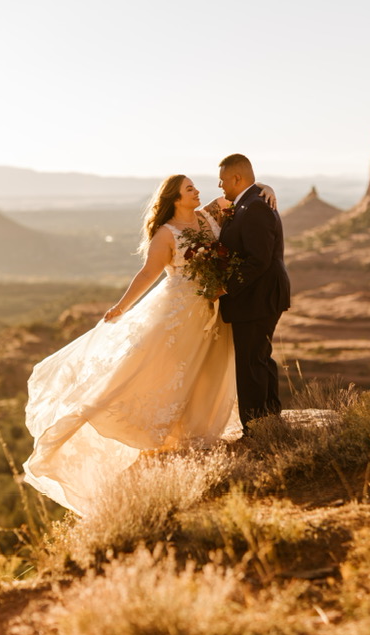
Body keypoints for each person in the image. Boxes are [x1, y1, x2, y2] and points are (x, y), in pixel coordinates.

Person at [23, 173, 276, 515]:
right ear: (174, 198)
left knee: (208, 368)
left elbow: (247, 195)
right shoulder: (165, 234)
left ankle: (196, 429)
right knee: (169, 370)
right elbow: (147, 274)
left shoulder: (207, 215)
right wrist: (121, 307)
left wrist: (267, 190)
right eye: (190, 188)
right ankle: (161, 432)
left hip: (211, 309)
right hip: (179, 311)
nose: (197, 190)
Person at [206, 154, 290, 434]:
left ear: (237, 178)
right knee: (259, 357)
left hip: (258, 297)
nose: (219, 185)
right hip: (257, 296)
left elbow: (259, 260)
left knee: (251, 360)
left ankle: (256, 427)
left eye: (223, 179)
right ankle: (268, 419)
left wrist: (226, 287)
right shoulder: (249, 201)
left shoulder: (254, 206)